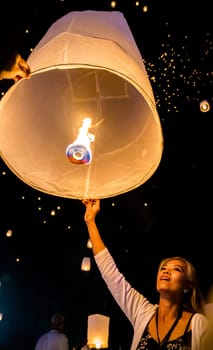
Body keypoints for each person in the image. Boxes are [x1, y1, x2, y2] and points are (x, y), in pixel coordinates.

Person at [82, 198, 211, 350]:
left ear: (187, 286)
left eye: (177, 269)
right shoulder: (142, 312)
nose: (166, 270)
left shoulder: (199, 324)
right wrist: (90, 221)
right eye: (163, 268)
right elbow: (111, 275)